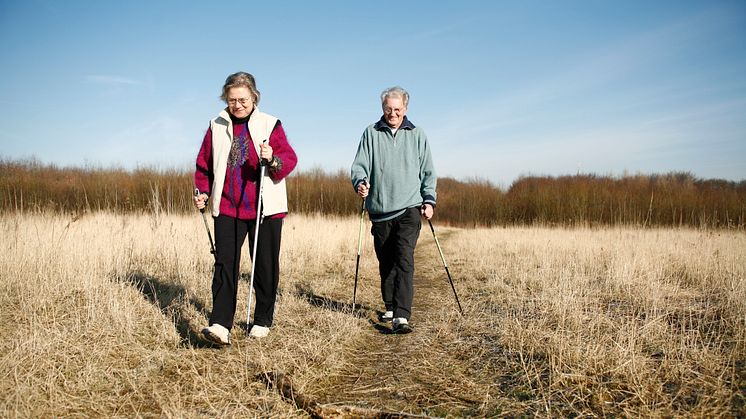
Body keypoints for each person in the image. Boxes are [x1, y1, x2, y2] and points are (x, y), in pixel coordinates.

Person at [194, 71, 297, 345]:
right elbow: (204, 164)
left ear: (254, 97)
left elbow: (289, 159)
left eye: (242, 99)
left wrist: (272, 158)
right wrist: (202, 190)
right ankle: (220, 324)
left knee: (264, 266)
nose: (237, 105)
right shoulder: (216, 125)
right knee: (224, 265)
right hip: (227, 207)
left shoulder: (270, 124)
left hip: (265, 208)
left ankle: (262, 319)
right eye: (232, 100)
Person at [350, 86, 437, 334]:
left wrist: (428, 200)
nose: (393, 113)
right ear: (382, 109)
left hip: (409, 207)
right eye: (388, 109)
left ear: (405, 109)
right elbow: (359, 166)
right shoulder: (371, 133)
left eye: (397, 109)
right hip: (380, 210)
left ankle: (402, 315)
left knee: (404, 259)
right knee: (386, 261)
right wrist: (361, 183)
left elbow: (428, 171)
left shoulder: (417, 135)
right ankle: (389, 304)